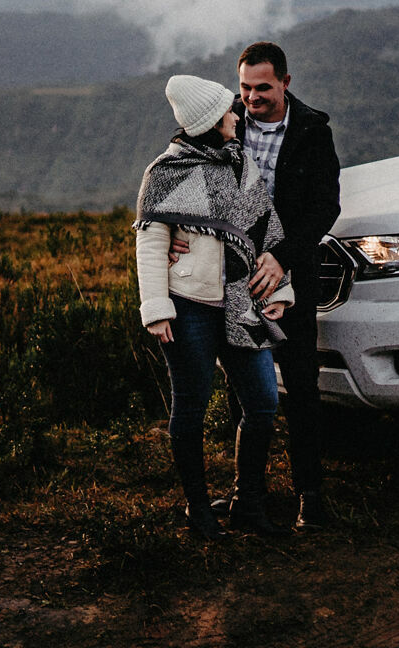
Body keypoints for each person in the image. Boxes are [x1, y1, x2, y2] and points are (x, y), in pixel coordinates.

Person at [135, 73, 294, 539]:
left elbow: (267, 228)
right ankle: (199, 510)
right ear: (209, 122)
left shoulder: (239, 164)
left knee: (263, 404)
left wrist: (279, 291)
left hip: (243, 302)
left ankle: (248, 502)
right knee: (191, 410)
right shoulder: (165, 171)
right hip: (188, 308)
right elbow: (151, 242)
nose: (236, 114)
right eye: (228, 110)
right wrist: (157, 306)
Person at [231, 41, 342, 528]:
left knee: (301, 387)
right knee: (242, 391)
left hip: (293, 276)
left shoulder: (313, 132)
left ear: (285, 84)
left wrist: (283, 258)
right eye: (244, 88)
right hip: (235, 280)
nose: (251, 98)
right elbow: (182, 167)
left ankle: (309, 499)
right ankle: (246, 498)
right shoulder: (225, 123)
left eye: (262, 88)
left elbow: (325, 207)